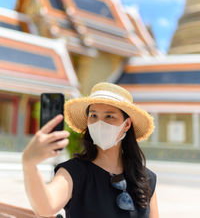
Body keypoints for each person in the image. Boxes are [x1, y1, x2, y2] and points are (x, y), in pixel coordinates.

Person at [22, 82, 159, 218]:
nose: (99, 123)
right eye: (93, 115)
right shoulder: (74, 172)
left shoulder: (146, 178)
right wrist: (29, 164)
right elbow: (46, 208)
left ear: (126, 124)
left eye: (109, 116)